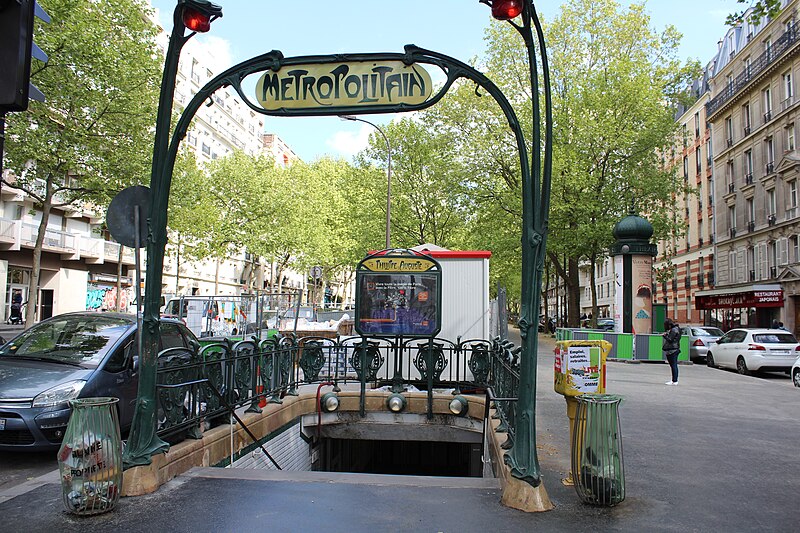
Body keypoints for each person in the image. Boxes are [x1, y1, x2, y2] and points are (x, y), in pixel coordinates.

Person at [662, 318, 681, 385]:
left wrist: (665, 336)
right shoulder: (678, 329)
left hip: (672, 349)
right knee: (674, 365)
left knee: (673, 365)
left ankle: (674, 380)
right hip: (676, 348)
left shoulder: (673, 330)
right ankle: (674, 380)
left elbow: (670, 340)